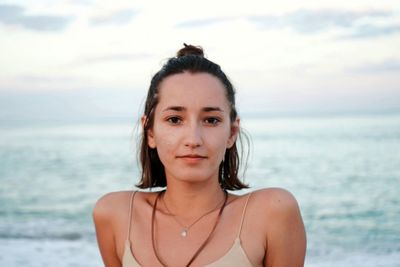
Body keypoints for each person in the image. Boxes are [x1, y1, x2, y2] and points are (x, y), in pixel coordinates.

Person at [93, 44, 306, 267]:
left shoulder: (272, 212)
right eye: (175, 120)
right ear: (150, 132)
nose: (193, 139)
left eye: (211, 120)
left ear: (232, 133)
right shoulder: (115, 214)